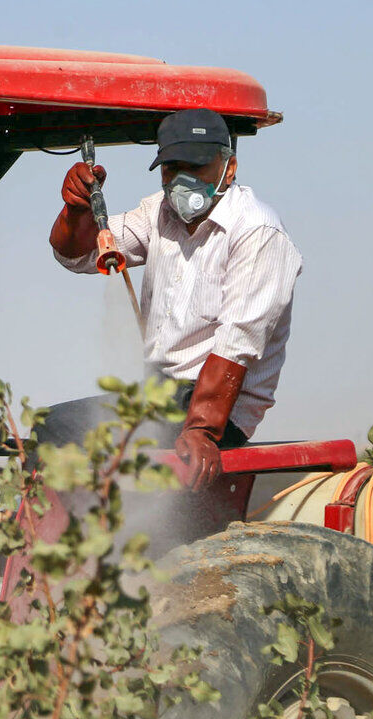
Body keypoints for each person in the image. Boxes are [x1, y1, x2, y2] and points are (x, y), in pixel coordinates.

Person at [49, 108, 302, 491]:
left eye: (195, 167)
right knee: (49, 428)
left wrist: (201, 430)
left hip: (216, 411)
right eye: (172, 169)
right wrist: (76, 211)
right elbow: (79, 256)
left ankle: (92, 539)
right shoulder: (160, 212)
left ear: (229, 168)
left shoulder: (257, 231)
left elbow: (238, 342)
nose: (181, 181)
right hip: (158, 400)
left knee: (86, 446)